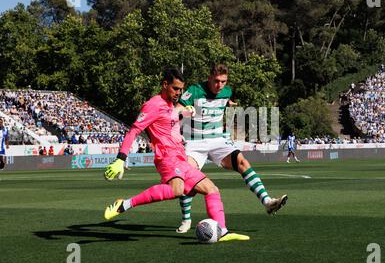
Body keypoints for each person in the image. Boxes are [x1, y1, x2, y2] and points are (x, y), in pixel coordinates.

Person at [103, 68, 248, 242]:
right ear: (165, 85)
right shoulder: (153, 104)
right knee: (177, 190)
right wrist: (121, 158)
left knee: (212, 190)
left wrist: (184, 114)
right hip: (166, 156)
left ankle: (222, 231)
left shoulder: (171, 105)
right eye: (175, 88)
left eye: (181, 89)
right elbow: (135, 130)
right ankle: (124, 204)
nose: (179, 93)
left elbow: (169, 123)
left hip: (180, 156)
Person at [175, 63, 288, 233]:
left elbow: (224, 100)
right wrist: (184, 110)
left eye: (224, 82)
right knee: (188, 180)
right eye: (217, 81)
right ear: (209, 78)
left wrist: (229, 103)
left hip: (218, 140)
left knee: (243, 162)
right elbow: (177, 109)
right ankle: (186, 220)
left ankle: (267, 202)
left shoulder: (226, 91)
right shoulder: (194, 90)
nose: (220, 85)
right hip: (194, 142)